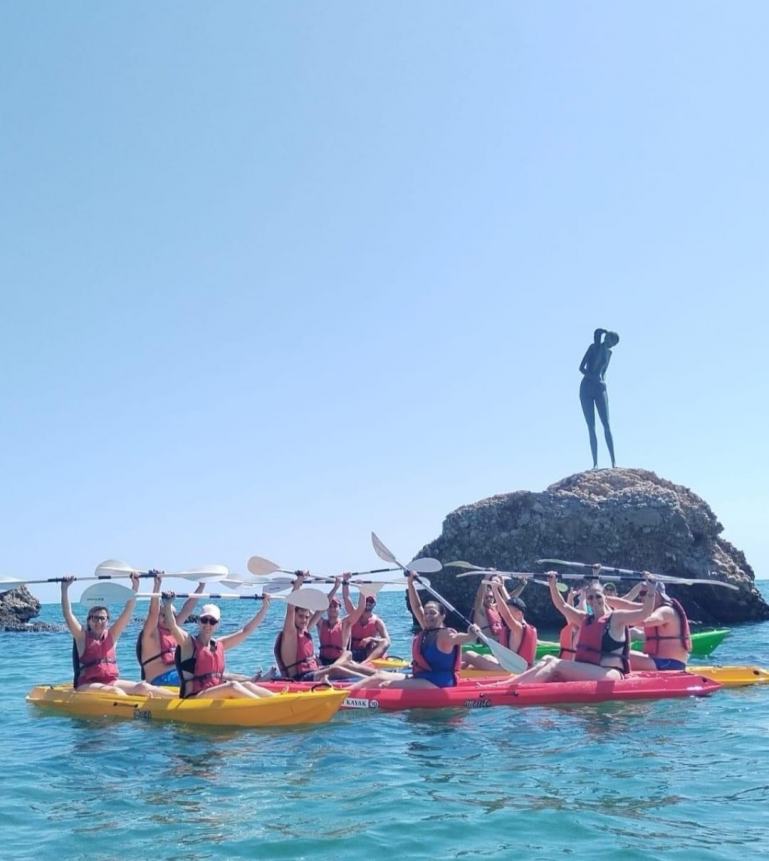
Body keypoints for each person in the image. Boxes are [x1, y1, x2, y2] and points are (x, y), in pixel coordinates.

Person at [512, 572, 656, 684]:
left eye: (598, 596)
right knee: (547, 659)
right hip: (590, 670)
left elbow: (645, 612)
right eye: (591, 598)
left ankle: (517, 691)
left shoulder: (617, 618)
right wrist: (552, 584)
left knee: (556, 664)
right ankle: (508, 684)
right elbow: (561, 605)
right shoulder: (585, 619)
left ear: (605, 597)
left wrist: (650, 590)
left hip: (610, 674)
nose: (595, 601)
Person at [350, 571, 483, 690]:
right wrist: (410, 583)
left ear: (442, 615)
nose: (428, 616)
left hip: (438, 683)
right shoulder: (427, 629)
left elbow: (463, 638)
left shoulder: (446, 635)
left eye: (433, 613)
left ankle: (350, 699)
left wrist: (472, 633)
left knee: (385, 685)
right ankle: (345, 693)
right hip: (421, 677)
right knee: (379, 675)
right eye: (426, 613)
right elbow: (416, 606)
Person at [61, 574, 174, 697]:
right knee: (116, 692)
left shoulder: (112, 635)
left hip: (110, 682)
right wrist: (65, 589)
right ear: (89, 621)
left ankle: (179, 699)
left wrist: (135, 586)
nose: (99, 622)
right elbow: (68, 614)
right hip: (87, 684)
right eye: (95, 618)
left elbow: (128, 610)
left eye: (102, 619)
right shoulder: (81, 637)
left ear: (107, 621)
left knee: (143, 687)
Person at [162, 593, 275, 699]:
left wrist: (265, 608)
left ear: (217, 625)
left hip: (213, 694)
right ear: (198, 621)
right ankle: (263, 705)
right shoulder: (188, 644)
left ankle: (276, 700)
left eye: (212, 621)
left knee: (247, 685)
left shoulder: (218, 644)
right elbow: (173, 627)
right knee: (232, 686)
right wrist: (167, 605)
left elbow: (245, 631)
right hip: (194, 697)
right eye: (204, 620)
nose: (208, 624)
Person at [136, 572, 205, 685]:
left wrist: (202, 585)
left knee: (213, 674)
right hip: (159, 679)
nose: (166, 618)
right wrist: (157, 585)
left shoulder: (173, 627)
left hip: (176, 674)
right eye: (163, 615)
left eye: (169, 615)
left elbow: (188, 608)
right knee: (199, 677)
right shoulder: (151, 633)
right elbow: (153, 612)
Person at [309, 576, 377, 679]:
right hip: (323, 661)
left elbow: (361, 608)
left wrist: (361, 589)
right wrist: (336, 587)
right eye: (330, 606)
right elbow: (306, 605)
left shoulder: (345, 623)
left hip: (339, 661)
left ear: (339, 609)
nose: (332, 608)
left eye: (335, 606)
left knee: (348, 655)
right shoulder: (321, 623)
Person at [464, 580, 538, 670]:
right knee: (487, 656)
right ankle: (465, 672)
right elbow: (508, 602)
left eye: (509, 611)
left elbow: (506, 615)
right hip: (511, 667)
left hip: (513, 670)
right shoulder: (522, 625)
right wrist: (501, 587)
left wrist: (495, 589)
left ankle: (452, 675)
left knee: (468, 654)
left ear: (519, 613)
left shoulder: (518, 628)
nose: (505, 613)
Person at [621, 581, 692, 671]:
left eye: (642, 593)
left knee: (618, 654)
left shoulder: (666, 611)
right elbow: (625, 605)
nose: (640, 597)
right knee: (617, 652)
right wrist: (604, 599)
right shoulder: (652, 608)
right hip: (658, 662)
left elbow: (644, 622)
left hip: (669, 664)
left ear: (655, 595)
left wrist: (619, 619)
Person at [579, 327, 620, 468]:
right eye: (609, 341)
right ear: (605, 338)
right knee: (591, 426)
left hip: (600, 388)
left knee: (606, 424)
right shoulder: (594, 347)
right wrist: (594, 378)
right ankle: (595, 463)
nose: (609, 344)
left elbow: (603, 372)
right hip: (586, 387)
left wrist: (602, 382)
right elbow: (581, 368)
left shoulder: (609, 353)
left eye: (612, 344)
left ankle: (614, 462)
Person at [343, 583, 392, 663]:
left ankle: (365, 663)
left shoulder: (377, 622)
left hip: (368, 653)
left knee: (384, 643)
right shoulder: (354, 614)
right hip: (353, 652)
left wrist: (371, 639)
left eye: (371, 600)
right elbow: (346, 598)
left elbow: (387, 641)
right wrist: (345, 582)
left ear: (374, 604)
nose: (368, 602)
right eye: (366, 600)